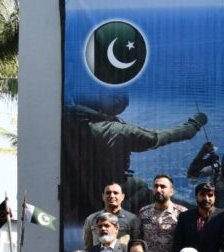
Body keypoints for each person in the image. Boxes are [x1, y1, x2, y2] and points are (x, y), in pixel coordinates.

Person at [61, 92, 205, 225]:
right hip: (104, 201)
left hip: (80, 195)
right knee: (144, 190)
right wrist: (195, 124)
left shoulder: (66, 119)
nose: (123, 103)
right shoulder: (118, 132)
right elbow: (160, 137)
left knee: (138, 184)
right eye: (118, 98)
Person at [173, 182, 224, 252]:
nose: (206, 198)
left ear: (215, 197)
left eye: (210, 195)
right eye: (202, 194)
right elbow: (178, 245)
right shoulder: (184, 217)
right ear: (196, 196)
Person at [139, 175, 187, 252]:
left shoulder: (182, 213)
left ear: (171, 191)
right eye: (156, 186)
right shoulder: (143, 213)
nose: (158, 190)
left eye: (163, 186)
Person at [82, 182, 142, 247]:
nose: (112, 196)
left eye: (115, 193)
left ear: (122, 196)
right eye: (108, 193)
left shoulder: (133, 219)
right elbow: (88, 247)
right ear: (103, 196)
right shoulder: (91, 219)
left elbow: (136, 246)